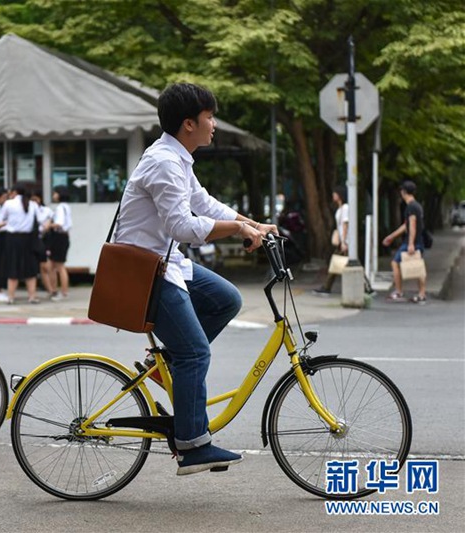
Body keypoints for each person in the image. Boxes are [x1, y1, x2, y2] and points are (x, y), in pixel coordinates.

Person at [114, 83, 275, 475]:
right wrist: (238, 231)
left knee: (226, 299)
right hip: (145, 271)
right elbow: (182, 226)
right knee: (196, 353)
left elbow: (203, 203)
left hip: (165, 263)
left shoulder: (178, 158)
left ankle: (168, 363)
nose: (214, 124)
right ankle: (192, 445)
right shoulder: (164, 163)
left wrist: (252, 224)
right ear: (189, 123)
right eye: (209, 117)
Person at [382, 180, 427, 303]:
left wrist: (411, 243)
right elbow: (406, 225)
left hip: (412, 241)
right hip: (417, 240)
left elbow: (412, 225)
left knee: (395, 263)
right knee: (418, 266)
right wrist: (391, 237)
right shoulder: (417, 206)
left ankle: (398, 291)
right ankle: (421, 293)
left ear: (403, 192)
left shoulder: (411, 207)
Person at [1, 182, 41, 304]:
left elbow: (3, 218)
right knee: (30, 267)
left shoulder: (9, 203)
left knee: (13, 266)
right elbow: (39, 220)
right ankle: (32, 296)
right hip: (28, 239)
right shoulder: (33, 204)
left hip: (12, 239)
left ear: (15, 191)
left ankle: (11, 297)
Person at [314, 186, 349, 295]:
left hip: (346, 242)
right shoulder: (340, 208)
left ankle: (326, 287)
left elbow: (345, 225)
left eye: (335, 193)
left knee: (347, 263)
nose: (333, 195)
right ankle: (326, 287)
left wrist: (344, 241)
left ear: (340, 195)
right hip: (343, 241)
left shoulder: (345, 208)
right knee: (336, 263)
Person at [30, 190, 57, 298]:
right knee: (41, 267)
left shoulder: (46, 210)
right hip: (34, 238)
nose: (34, 202)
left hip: (46, 239)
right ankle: (49, 290)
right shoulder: (28, 210)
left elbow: (50, 223)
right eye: (32, 200)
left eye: (35, 199)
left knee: (47, 266)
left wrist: (48, 224)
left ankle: (53, 289)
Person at [48, 185, 72, 301]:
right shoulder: (66, 207)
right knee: (54, 265)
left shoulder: (60, 208)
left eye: (55, 193)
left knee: (59, 266)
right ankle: (55, 290)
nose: (54, 195)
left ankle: (63, 292)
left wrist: (49, 225)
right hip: (63, 237)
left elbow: (59, 223)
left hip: (59, 237)